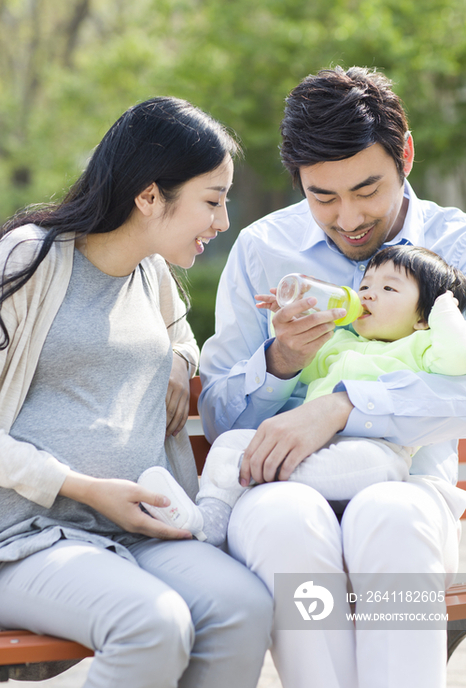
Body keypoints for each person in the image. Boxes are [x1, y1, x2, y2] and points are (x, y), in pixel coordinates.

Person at [199, 66, 466, 688]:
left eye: (367, 189)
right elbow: (218, 419)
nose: (348, 218)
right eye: (323, 196)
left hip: (410, 486)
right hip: (278, 489)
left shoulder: (455, 248)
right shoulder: (264, 250)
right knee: (288, 522)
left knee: (389, 516)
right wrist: (281, 363)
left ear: (405, 156)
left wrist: (345, 404)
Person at [0, 97, 273, 688]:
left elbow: (181, 341)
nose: (222, 222)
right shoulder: (29, 261)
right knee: (153, 624)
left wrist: (178, 360)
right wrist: (85, 489)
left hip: (138, 532)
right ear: (149, 196)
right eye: (212, 200)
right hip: (25, 540)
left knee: (242, 609)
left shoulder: (153, 275)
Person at [140, 244, 466, 544]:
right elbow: (302, 366)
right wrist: (288, 322)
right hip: (310, 450)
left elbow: (457, 356)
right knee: (230, 443)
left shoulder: (421, 345)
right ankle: (206, 525)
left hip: (378, 454)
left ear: (422, 318)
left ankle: (252, 471)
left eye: (388, 288)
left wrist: (445, 311)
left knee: (371, 464)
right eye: (365, 286)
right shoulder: (340, 342)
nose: (367, 295)